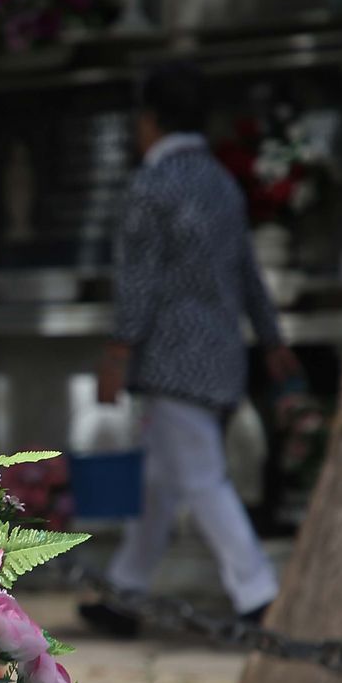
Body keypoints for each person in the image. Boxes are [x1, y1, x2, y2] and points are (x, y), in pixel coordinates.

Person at [85, 63, 300, 636]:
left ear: (150, 119)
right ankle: (124, 594)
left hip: (171, 360)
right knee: (160, 483)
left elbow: (139, 281)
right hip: (222, 354)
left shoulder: (152, 184)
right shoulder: (222, 182)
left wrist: (117, 352)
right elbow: (248, 272)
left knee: (202, 479)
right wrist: (271, 338)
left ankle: (259, 594)